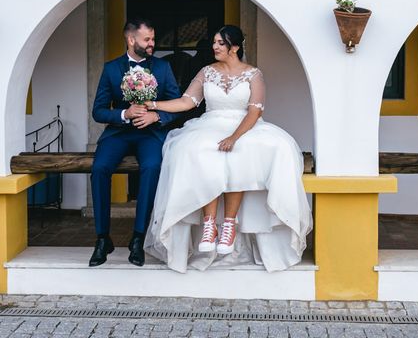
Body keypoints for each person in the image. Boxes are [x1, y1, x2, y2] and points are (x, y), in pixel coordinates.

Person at [144, 25, 313, 273]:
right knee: (196, 149)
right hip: (210, 123)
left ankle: (229, 225)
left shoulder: (254, 74)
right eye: (214, 42)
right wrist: (154, 104)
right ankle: (210, 224)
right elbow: (187, 102)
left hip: (244, 125)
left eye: (220, 43)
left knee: (245, 152)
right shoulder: (206, 72)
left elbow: (255, 111)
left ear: (234, 47)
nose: (214, 47)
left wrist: (234, 137)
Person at [90, 18, 180, 267]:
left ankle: (138, 238)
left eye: (153, 38)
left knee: (152, 167)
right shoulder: (111, 69)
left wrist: (157, 116)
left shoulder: (162, 68)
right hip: (118, 133)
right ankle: (102, 238)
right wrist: (123, 114)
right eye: (147, 39)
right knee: (99, 169)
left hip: (150, 133)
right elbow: (98, 111)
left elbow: (178, 105)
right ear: (131, 40)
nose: (152, 43)